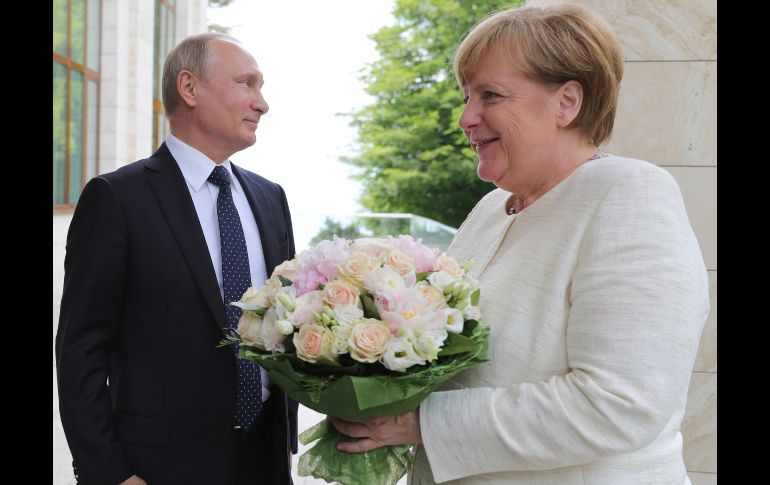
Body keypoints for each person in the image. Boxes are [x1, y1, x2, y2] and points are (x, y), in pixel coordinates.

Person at [329, 4, 709, 484]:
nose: (466, 118)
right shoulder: (491, 210)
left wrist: (421, 422)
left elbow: (620, 403)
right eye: (467, 96)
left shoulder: (629, 194)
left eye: (490, 95)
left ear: (566, 102)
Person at [55, 33, 298, 485]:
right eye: (246, 83)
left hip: (264, 463)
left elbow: (287, 329)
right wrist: (110, 473)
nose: (262, 104)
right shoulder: (116, 199)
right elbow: (79, 352)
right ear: (189, 88)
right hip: (157, 468)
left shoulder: (271, 199)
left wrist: (286, 443)